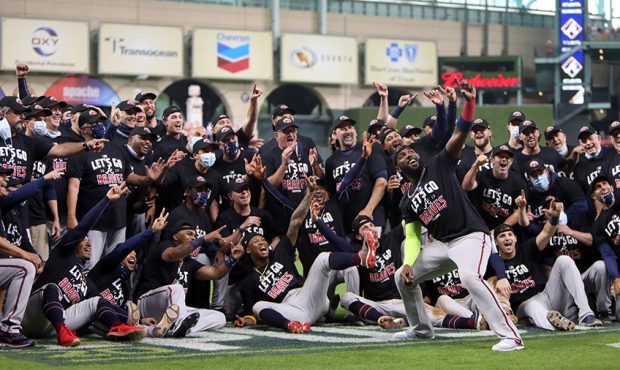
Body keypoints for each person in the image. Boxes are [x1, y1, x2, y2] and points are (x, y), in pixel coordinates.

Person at [392, 79, 523, 351]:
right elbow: (413, 237)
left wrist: (468, 103)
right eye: (402, 156)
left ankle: (511, 336)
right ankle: (420, 329)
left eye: (411, 151)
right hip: (443, 245)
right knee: (402, 277)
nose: (409, 155)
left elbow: (460, 132)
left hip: (471, 237)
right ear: (399, 169)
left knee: (470, 277)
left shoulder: (439, 164)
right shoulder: (407, 200)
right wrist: (408, 263)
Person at [22, 183, 147, 347]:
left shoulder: (86, 283)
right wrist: (106, 200)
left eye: (89, 240)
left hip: (52, 326)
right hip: (31, 317)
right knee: (51, 288)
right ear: (74, 242)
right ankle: (62, 331)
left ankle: (116, 327)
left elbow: (105, 305)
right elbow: (83, 227)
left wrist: (137, 320)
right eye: (83, 239)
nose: (88, 242)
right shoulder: (63, 254)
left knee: (96, 301)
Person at [494, 197, 602, 330]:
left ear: (515, 239)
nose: (507, 238)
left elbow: (546, 233)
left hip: (546, 295)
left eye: (510, 235)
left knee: (564, 260)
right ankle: (554, 323)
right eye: (502, 236)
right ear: (496, 242)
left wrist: (555, 217)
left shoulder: (526, 249)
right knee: (532, 306)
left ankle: (586, 314)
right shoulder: (494, 263)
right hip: (523, 305)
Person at [134, 219, 243, 337]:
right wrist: (203, 239)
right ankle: (178, 322)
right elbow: (172, 255)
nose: (194, 237)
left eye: (195, 235)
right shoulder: (164, 246)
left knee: (219, 317)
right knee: (176, 288)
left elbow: (215, 273)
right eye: (189, 234)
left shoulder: (189, 262)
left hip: (171, 313)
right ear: (175, 237)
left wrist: (233, 259)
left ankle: (180, 329)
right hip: (146, 303)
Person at [462, 145, 527, 229]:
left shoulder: (518, 182)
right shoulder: (483, 175)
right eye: (500, 156)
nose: (504, 159)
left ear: (511, 162)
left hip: (504, 229)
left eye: (507, 158)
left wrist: (500, 230)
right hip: (479, 226)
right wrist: (475, 165)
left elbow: (518, 212)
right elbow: (466, 186)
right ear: (492, 160)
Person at [590, 175, 620, 321]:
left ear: (612, 187)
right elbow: (607, 254)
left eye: (604, 184)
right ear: (594, 196)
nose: (602, 188)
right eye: (598, 187)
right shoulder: (598, 225)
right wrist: (616, 277)